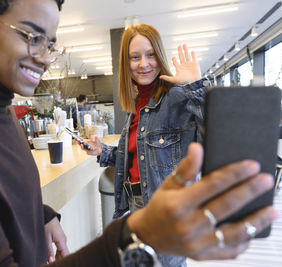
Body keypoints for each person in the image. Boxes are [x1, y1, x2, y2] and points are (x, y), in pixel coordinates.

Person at [0, 0, 277, 266]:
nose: (46, 56)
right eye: (32, 36)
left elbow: (1, 187)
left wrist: (42, 213)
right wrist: (129, 235)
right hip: (134, 210)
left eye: (50, 43)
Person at [82, 24, 206, 266]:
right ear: (126, 64)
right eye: (135, 57)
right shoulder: (138, 104)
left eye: (150, 55)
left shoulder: (176, 98)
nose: (143, 64)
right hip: (134, 206)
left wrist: (196, 87)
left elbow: (214, 136)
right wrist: (102, 151)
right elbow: (138, 154)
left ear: (159, 56)